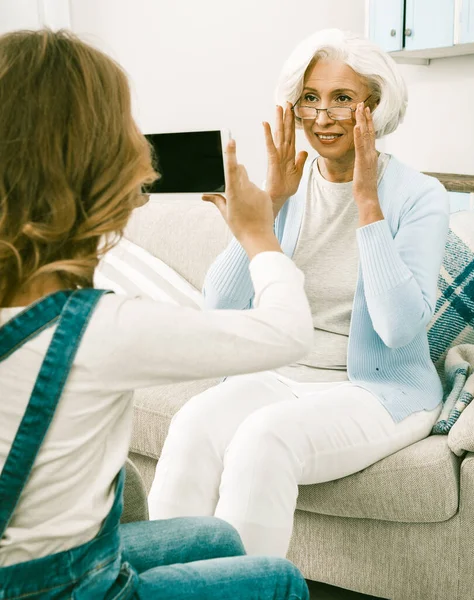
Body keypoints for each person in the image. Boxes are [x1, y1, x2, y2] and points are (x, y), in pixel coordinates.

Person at [0, 29, 314, 599]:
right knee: (279, 581)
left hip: (32, 561)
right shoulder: (102, 330)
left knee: (216, 535)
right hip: (61, 589)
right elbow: (289, 332)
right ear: (99, 164)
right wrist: (258, 234)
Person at [148, 28, 450, 558]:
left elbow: (400, 328)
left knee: (264, 439)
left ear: (374, 109)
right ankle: (164, 583)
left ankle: (242, 591)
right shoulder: (290, 186)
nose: (323, 116)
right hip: (282, 376)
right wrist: (273, 201)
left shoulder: (421, 196)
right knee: (194, 423)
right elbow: (220, 304)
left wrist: (367, 203)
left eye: (343, 99)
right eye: (310, 98)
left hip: (377, 391)